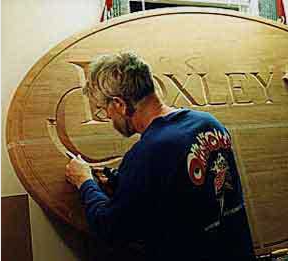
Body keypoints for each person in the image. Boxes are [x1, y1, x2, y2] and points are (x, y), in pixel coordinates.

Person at [65, 52, 255, 261]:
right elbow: (186, 190)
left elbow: (110, 229)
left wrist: (84, 182)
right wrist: (120, 180)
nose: (108, 116)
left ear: (119, 104)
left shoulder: (148, 153)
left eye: (104, 109)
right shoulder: (209, 123)